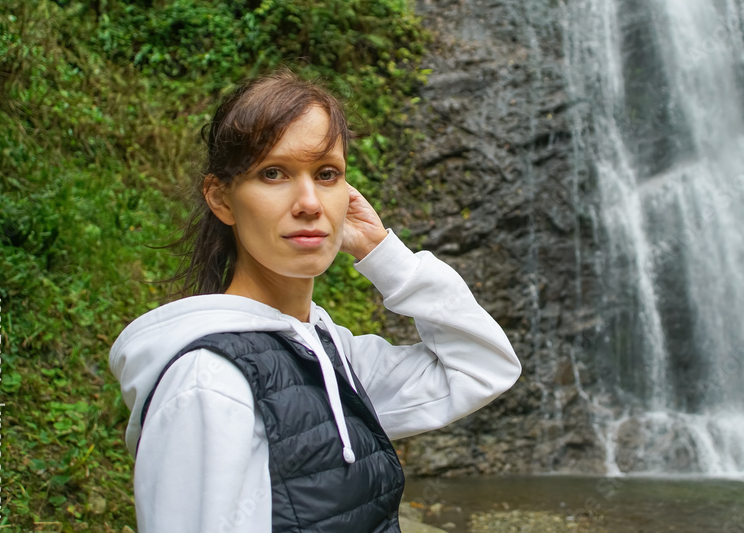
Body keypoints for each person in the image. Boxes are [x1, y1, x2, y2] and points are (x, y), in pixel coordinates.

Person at [109, 69, 521, 532]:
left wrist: (384, 254)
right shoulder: (208, 382)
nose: (309, 202)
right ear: (221, 198)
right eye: (273, 173)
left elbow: (482, 368)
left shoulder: (331, 356)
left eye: (327, 174)